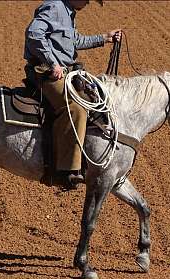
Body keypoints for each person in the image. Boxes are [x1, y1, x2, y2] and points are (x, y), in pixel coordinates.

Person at [24, 0, 121, 188]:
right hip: (44, 72)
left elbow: (74, 41)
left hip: (65, 71)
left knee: (96, 99)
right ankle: (65, 170)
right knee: (75, 108)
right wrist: (52, 63)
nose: (87, 2)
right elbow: (34, 33)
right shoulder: (54, 8)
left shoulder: (68, 13)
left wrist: (104, 38)